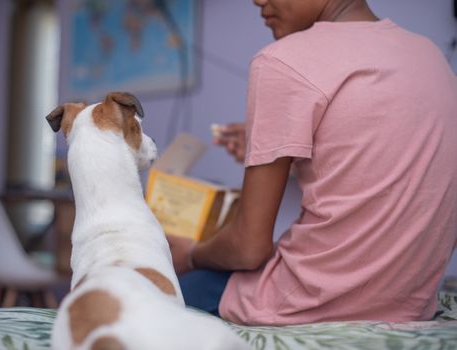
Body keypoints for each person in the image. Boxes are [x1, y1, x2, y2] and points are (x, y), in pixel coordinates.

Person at [167, 0, 457, 325]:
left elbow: (248, 248)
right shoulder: (430, 56)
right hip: (410, 308)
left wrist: (191, 254)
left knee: (145, 292)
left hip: (305, 305)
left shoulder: (282, 60)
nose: (257, 1)